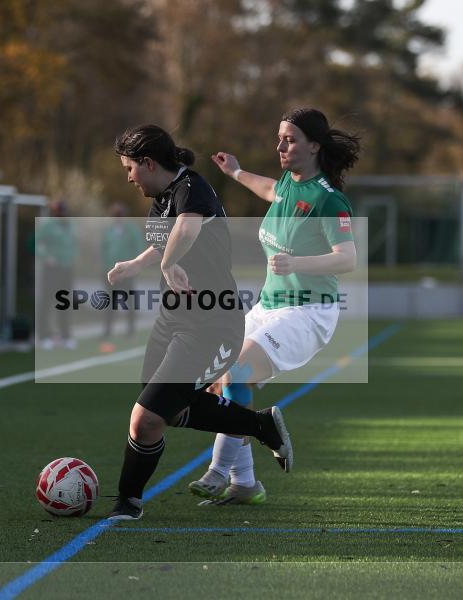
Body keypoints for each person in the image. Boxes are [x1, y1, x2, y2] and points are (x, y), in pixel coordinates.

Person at [106, 124, 293, 520]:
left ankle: (128, 501)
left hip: (212, 327)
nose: (128, 177)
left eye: (129, 168)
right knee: (167, 412)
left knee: (146, 418)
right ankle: (261, 427)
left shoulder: (194, 189)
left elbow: (187, 229)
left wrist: (172, 263)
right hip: (171, 323)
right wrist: (136, 264)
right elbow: (163, 244)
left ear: (148, 162)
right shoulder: (161, 198)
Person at [188, 107, 360, 505]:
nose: (280, 145)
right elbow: (270, 189)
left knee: (239, 371)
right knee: (220, 382)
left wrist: (298, 262)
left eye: (290, 139)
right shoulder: (287, 185)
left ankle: (217, 471)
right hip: (269, 306)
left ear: (314, 146)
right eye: (280, 137)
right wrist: (235, 172)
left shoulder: (329, 200)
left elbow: (347, 258)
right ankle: (246, 482)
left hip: (308, 311)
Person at [34, 199, 76, 350]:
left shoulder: (69, 225)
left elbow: (72, 245)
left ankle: (65, 336)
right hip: (52, 269)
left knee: (64, 301)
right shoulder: (48, 225)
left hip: (67, 268)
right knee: (46, 301)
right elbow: (36, 243)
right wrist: (46, 257)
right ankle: (43, 336)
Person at [101, 203, 145, 338]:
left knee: (129, 302)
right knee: (110, 303)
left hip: (127, 273)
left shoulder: (132, 230)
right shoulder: (108, 231)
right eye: (115, 215)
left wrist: (133, 267)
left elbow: (139, 249)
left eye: (119, 215)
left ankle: (130, 331)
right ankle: (107, 331)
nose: (117, 217)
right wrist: (105, 269)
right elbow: (103, 250)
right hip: (112, 273)